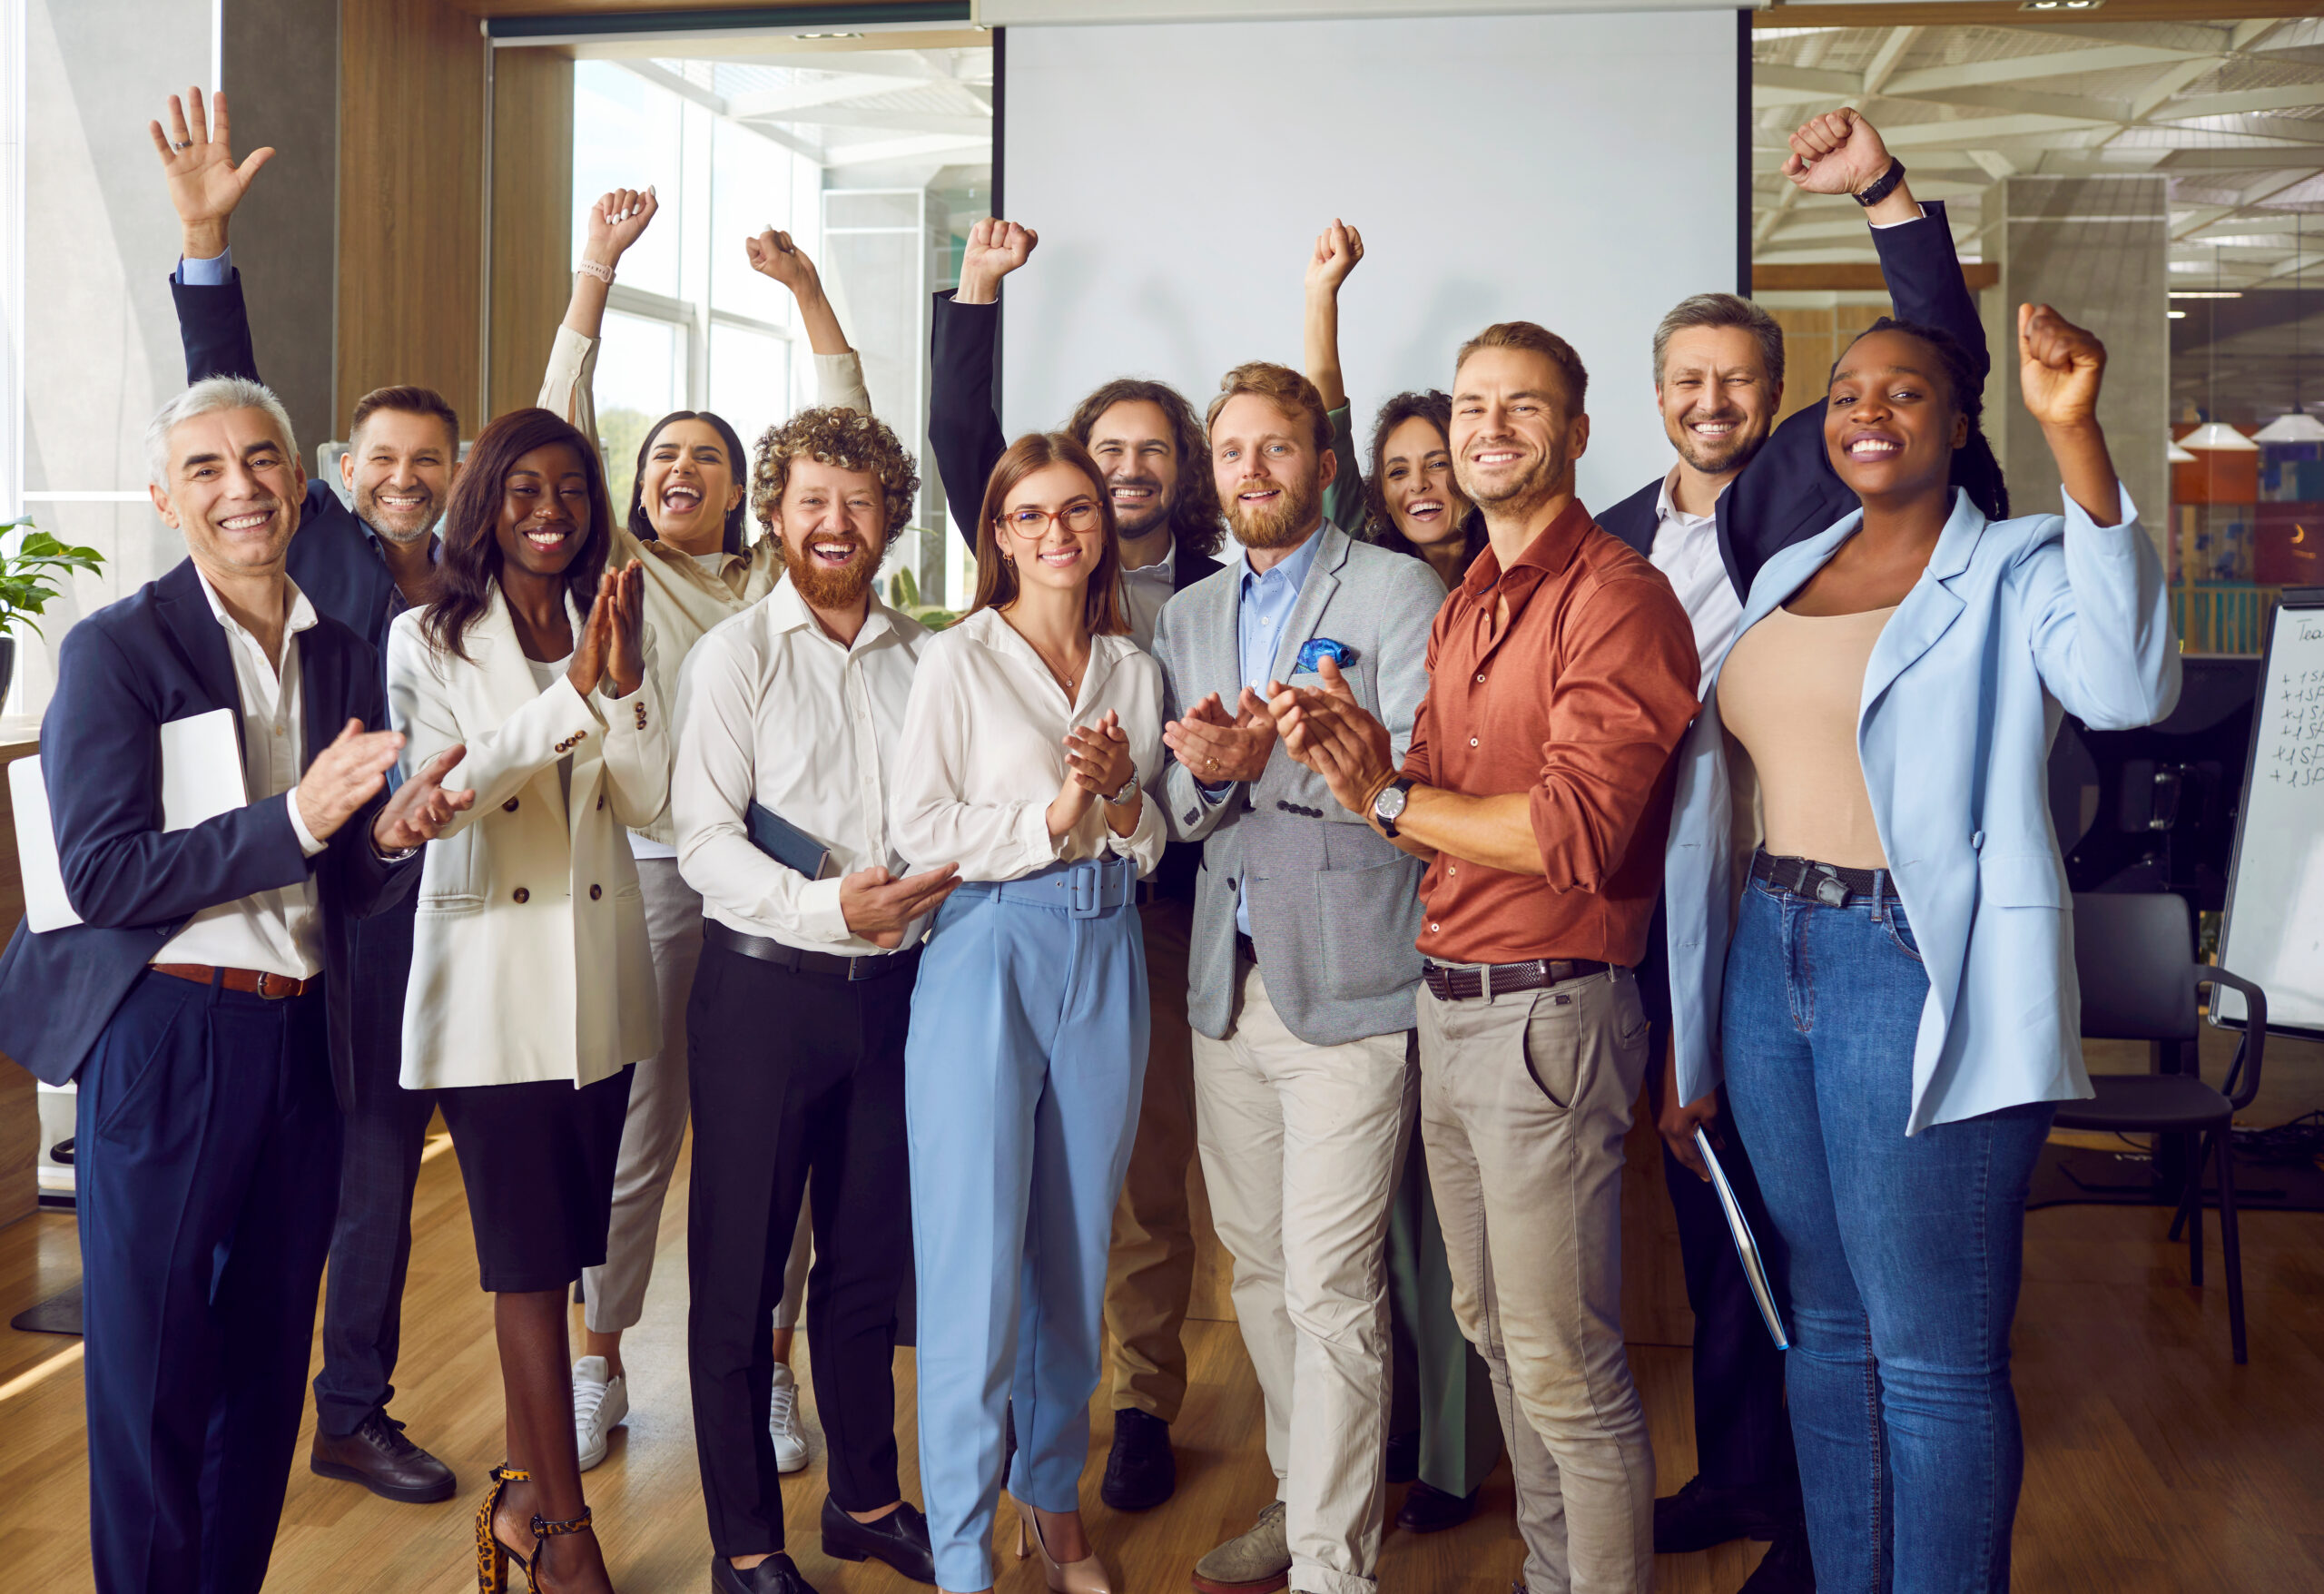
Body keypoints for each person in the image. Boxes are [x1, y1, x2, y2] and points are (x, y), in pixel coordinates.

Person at [1663, 307, 2176, 1592]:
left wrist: (2076, 437)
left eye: (1905, 390)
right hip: (1768, 957)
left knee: (1935, 1356)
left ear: (1958, 425)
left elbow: (2125, 687)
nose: (1868, 409)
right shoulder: (1785, 570)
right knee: (1825, 1334)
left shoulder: (2018, 563)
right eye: (1846, 393)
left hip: (1916, 966)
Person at [1592, 109, 1991, 1591]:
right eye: (1689, 381)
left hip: (1852, 905)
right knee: (1738, 1233)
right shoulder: (1607, 532)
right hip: (1701, 914)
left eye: (1741, 382)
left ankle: (1829, 1533)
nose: (1714, 402)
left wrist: (1885, 198)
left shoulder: (1823, 499)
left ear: (1774, 399)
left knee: (1877, 1290)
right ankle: (1766, 1488)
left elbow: (1939, 363)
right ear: (1657, 397)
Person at [0, 376, 467, 1594]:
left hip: (302, 1040)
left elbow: (345, 883)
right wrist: (297, 817)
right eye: (203, 469)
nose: (239, 486)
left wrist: (394, 835)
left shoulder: (347, 650)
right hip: (165, 1038)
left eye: (259, 460)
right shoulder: (115, 650)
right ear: (165, 499)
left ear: (301, 485)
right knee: (153, 1376)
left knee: (264, 1374)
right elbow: (99, 872)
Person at [1268, 322, 1701, 1594]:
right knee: (1498, 1338)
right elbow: (1435, 796)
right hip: (1449, 1007)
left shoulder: (1617, 597)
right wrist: (1357, 756)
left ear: (1575, 433)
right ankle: (1552, 1576)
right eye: (1472, 408)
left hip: (1547, 1016)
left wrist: (1383, 797)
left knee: (1566, 1362)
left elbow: (1573, 831)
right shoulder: (1467, 603)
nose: (1489, 429)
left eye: (1525, 408)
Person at [153, 85, 471, 1501]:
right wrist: (206, 251)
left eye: (427, 463)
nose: (401, 479)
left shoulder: (481, 580)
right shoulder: (318, 551)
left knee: (387, 1184)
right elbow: (230, 411)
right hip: (329, 913)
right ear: (345, 474)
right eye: (379, 461)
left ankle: (351, 1405)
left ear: (456, 478)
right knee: (321, 1171)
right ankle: (264, 1408)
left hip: (457, 909)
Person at [537, 188, 874, 1472]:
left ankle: (770, 1367)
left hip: (783, 892)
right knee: (637, 1135)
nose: (681, 471)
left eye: (709, 460)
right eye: (662, 458)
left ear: (751, 491)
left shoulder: (782, 580)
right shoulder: (614, 571)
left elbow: (850, 437)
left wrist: (805, 298)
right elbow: (556, 422)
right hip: (657, 877)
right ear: (637, 484)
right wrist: (595, 278)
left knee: (772, 1139)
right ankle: (597, 1358)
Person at [928, 218, 1226, 1510]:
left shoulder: (1210, 593)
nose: (1120, 476)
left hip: (1156, 912)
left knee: (1136, 1185)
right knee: (997, 1209)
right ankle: (986, 1462)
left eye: (1150, 452)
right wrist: (977, 294)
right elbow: (963, 445)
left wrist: (1126, 803)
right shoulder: (997, 613)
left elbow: (1174, 799)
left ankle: (1141, 1401)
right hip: (1008, 918)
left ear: (1176, 475)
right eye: (1105, 453)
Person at [1148, 361, 1443, 1594]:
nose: (1253, 472)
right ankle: (1296, 1493)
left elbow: (1423, 776)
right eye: (1232, 453)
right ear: (1211, 473)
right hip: (1229, 984)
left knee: (1330, 1287)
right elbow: (1176, 802)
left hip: (1354, 982)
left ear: (1325, 466)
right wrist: (1213, 772)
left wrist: (1301, 755)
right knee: (1261, 1273)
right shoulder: (1187, 613)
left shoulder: (1398, 588)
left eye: (1278, 450)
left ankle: (1333, 1565)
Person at [672, 404, 957, 1594]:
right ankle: (747, 1543)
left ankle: (865, 1499)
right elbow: (702, 841)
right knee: (740, 1277)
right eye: (811, 503)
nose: (834, 524)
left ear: (890, 516)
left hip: (897, 998)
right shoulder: (735, 655)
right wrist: (830, 910)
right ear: (776, 517)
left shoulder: (928, 658)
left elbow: (946, 816)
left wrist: (920, 899)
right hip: (763, 995)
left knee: (865, 1265)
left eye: (859, 502)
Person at [386, 408, 665, 1594]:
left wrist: (632, 685)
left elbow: (648, 806)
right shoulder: (427, 639)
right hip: (495, 999)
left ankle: (518, 1498)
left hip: (597, 998)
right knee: (525, 1269)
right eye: (524, 491)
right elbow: (445, 794)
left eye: (572, 490)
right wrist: (573, 697)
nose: (551, 510)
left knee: (564, 1259)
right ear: (486, 505)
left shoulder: (619, 619)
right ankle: (565, 1537)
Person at [891, 432, 1167, 1594]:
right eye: (1032, 515)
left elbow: (1148, 838)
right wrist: (1055, 811)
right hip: (987, 949)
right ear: (999, 534)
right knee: (973, 1266)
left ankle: (1052, 1503)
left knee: (1075, 1248)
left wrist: (1114, 802)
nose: (1058, 533)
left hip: (1107, 946)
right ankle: (962, 1551)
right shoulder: (956, 662)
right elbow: (918, 829)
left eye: (1078, 511)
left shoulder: (1133, 668)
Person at [1299, 221, 1501, 1538]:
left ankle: (1454, 1462)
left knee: (1460, 1225)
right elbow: (1320, 426)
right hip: (1372, 929)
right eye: (1400, 467)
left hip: (1484, 915)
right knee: (1373, 1228)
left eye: (1443, 463)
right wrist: (1322, 296)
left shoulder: (1512, 581)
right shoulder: (1360, 578)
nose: (1422, 483)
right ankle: (1379, 1452)